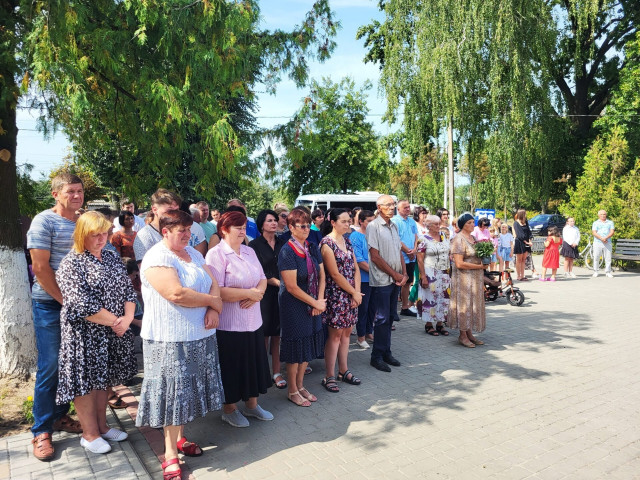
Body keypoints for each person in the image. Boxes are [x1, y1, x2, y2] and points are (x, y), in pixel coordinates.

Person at [136, 210, 224, 479]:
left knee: (185, 394)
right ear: (165, 231)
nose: (187, 235)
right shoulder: (157, 257)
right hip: (169, 339)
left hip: (199, 336)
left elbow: (213, 283)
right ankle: (170, 454)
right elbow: (176, 293)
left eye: (189, 230)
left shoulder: (194, 254)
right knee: (173, 396)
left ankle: (180, 439)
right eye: (181, 231)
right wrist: (212, 302)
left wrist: (214, 308)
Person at [54, 212, 137, 454]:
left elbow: (128, 290)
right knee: (86, 383)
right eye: (95, 235)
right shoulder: (71, 263)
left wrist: (127, 318)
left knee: (104, 379)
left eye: (105, 233)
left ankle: (102, 427)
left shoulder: (110, 256)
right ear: (82, 235)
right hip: (85, 334)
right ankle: (89, 435)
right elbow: (82, 304)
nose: (102, 239)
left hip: (112, 331)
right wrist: (117, 322)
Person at [27, 173, 85, 461]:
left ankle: (60, 416)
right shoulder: (44, 222)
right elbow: (40, 268)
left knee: (72, 364)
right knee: (50, 365)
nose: (76, 196)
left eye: (80, 191)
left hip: (80, 306)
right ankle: (41, 430)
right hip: (50, 305)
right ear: (56, 194)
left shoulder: (84, 222)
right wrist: (66, 301)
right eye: (70, 191)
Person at [206, 211, 273, 427]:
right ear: (224, 230)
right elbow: (217, 290)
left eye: (244, 227)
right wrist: (249, 294)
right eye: (238, 228)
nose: (243, 231)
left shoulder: (249, 250)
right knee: (233, 367)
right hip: (230, 324)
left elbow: (262, 278)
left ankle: (252, 405)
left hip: (253, 320)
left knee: (253, 364)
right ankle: (230, 410)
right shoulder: (216, 254)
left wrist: (256, 295)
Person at [278, 208, 326, 406]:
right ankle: (292, 390)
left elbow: (322, 275)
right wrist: (314, 303)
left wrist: (319, 301)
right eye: (302, 226)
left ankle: (300, 385)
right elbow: (291, 287)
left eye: (308, 225)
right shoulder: (287, 251)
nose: (306, 229)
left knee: (307, 344)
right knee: (296, 349)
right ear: (291, 227)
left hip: (313, 303)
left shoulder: (312, 247)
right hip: (294, 305)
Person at [320, 209, 363, 392]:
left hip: (351, 295)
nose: (348, 224)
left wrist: (357, 293)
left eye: (349, 221)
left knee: (346, 334)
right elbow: (335, 274)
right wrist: (354, 293)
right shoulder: (326, 244)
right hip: (336, 296)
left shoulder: (347, 241)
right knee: (335, 336)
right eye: (344, 221)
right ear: (333, 222)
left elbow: (356, 269)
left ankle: (343, 371)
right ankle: (329, 375)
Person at [367, 195, 407, 372]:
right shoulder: (373, 226)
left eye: (393, 204)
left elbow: (399, 252)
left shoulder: (394, 226)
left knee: (390, 317)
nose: (392, 207)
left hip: (395, 279)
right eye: (388, 205)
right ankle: (376, 356)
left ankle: (386, 352)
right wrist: (395, 274)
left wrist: (404, 273)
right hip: (382, 280)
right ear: (379, 207)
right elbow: (375, 257)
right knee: (382, 318)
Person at [249, 210, 287, 390]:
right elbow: (257, 271)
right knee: (264, 334)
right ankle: (262, 372)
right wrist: (276, 282)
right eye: (269, 220)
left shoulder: (283, 243)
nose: (274, 223)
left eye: (275, 220)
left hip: (282, 293)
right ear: (261, 225)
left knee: (277, 334)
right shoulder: (254, 245)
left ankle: (277, 372)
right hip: (264, 293)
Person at [133, 189, 207, 261]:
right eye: (170, 210)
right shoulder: (145, 235)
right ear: (155, 210)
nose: (175, 214)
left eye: (177, 210)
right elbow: (144, 267)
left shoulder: (186, 230)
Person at [449, 213, 487, 348]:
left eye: (473, 222)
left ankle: (469, 333)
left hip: (475, 277)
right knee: (464, 304)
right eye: (469, 223)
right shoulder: (458, 239)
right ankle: (462, 335)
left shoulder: (473, 238)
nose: (472, 225)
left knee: (472, 304)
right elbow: (459, 263)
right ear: (462, 225)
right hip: (463, 278)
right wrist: (479, 266)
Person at [416, 215, 451, 337]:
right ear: (429, 226)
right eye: (435, 224)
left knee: (444, 298)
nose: (438, 226)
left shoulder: (444, 236)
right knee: (430, 297)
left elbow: (448, 252)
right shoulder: (423, 239)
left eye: (439, 223)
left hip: (445, 272)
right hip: (430, 272)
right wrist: (423, 276)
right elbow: (420, 259)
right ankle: (429, 324)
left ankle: (440, 323)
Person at [350, 210, 375, 349]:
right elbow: (359, 260)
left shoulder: (375, 235)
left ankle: (368, 332)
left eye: (373, 220)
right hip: (363, 279)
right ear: (361, 221)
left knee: (373, 307)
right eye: (369, 221)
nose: (372, 223)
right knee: (363, 309)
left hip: (375, 279)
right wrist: (375, 272)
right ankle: (360, 337)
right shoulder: (355, 236)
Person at [391, 200, 418, 317]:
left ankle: (405, 307)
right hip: (400, 257)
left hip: (411, 257)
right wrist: (407, 251)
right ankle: (392, 311)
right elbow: (396, 239)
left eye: (408, 207)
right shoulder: (395, 221)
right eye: (405, 207)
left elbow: (416, 236)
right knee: (397, 283)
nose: (408, 209)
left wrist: (415, 249)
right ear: (398, 209)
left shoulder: (412, 221)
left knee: (407, 282)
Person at [592, 209, 615, 278]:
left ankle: (608, 272)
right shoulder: (595, 223)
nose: (603, 215)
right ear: (598, 215)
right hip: (597, 242)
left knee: (608, 258)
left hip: (607, 242)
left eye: (604, 214)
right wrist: (601, 238)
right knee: (596, 257)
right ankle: (596, 271)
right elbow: (594, 232)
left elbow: (612, 232)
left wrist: (606, 238)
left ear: (606, 215)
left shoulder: (610, 222)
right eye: (601, 214)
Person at [513, 209, 533, 281]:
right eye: (525, 214)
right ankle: (518, 275)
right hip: (520, 242)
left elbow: (529, 232)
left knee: (524, 260)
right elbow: (519, 235)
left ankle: (522, 275)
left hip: (527, 243)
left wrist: (530, 240)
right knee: (519, 260)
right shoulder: (516, 223)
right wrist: (526, 242)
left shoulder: (526, 222)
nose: (526, 215)